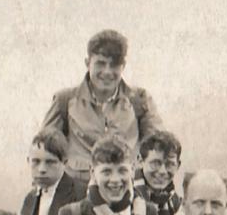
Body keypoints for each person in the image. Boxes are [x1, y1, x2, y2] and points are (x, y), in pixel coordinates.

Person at [41, 29, 164, 182]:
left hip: (125, 193)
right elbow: (44, 153)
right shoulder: (64, 100)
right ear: (87, 63)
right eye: (100, 63)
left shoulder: (139, 100)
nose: (107, 72)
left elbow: (159, 149)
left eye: (114, 65)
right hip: (78, 196)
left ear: (123, 66)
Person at [134, 130, 184, 215]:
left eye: (170, 164)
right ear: (140, 161)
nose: (162, 171)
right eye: (155, 163)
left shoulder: (173, 200)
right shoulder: (129, 195)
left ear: (178, 165)